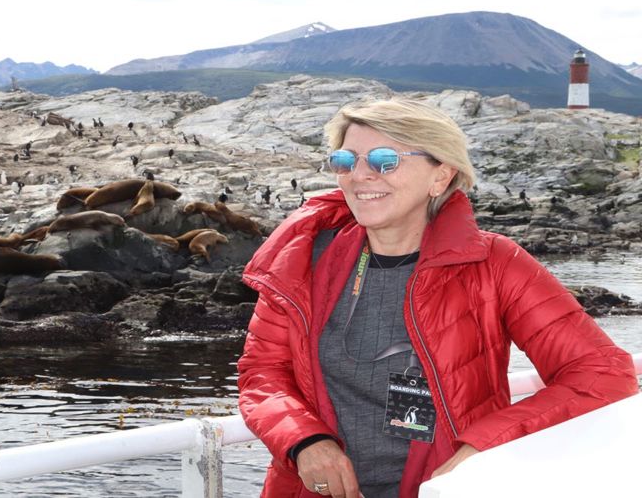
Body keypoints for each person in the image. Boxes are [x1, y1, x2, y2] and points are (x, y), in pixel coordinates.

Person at [237, 98, 637, 498]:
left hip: (444, 489)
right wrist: (305, 442)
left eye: (383, 160)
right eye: (345, 160)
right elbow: (262, 373)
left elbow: (603, 374)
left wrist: (481, 446)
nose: (360, 176)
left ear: (440, 177)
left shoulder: (495, 262)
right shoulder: (303, 259)